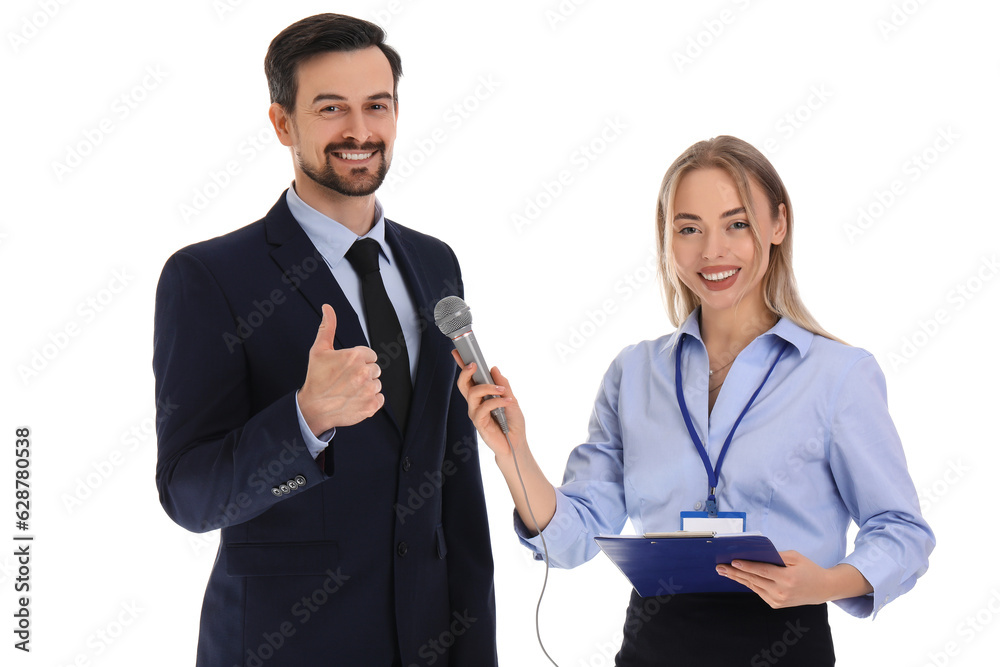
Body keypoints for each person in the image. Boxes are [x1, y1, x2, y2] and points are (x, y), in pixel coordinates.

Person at [455, 136, 934, 666]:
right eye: (689, 229)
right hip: (654, 647)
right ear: (666, 239)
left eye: (737, 224)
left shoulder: (838, 375)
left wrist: (824, 582)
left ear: (777, 225)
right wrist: (512, 452)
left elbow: (903, 533)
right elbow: (573, 538)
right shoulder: (634, 373)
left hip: (783, 644)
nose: (712, 252)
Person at [153, 14, 497, 667]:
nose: (361, 131)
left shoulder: (435, 263)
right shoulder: (210, 278)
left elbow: (457, 495)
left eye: (377, 106)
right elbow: (188, 493)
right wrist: (304, 420)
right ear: (284, 124)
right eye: (332, 108)